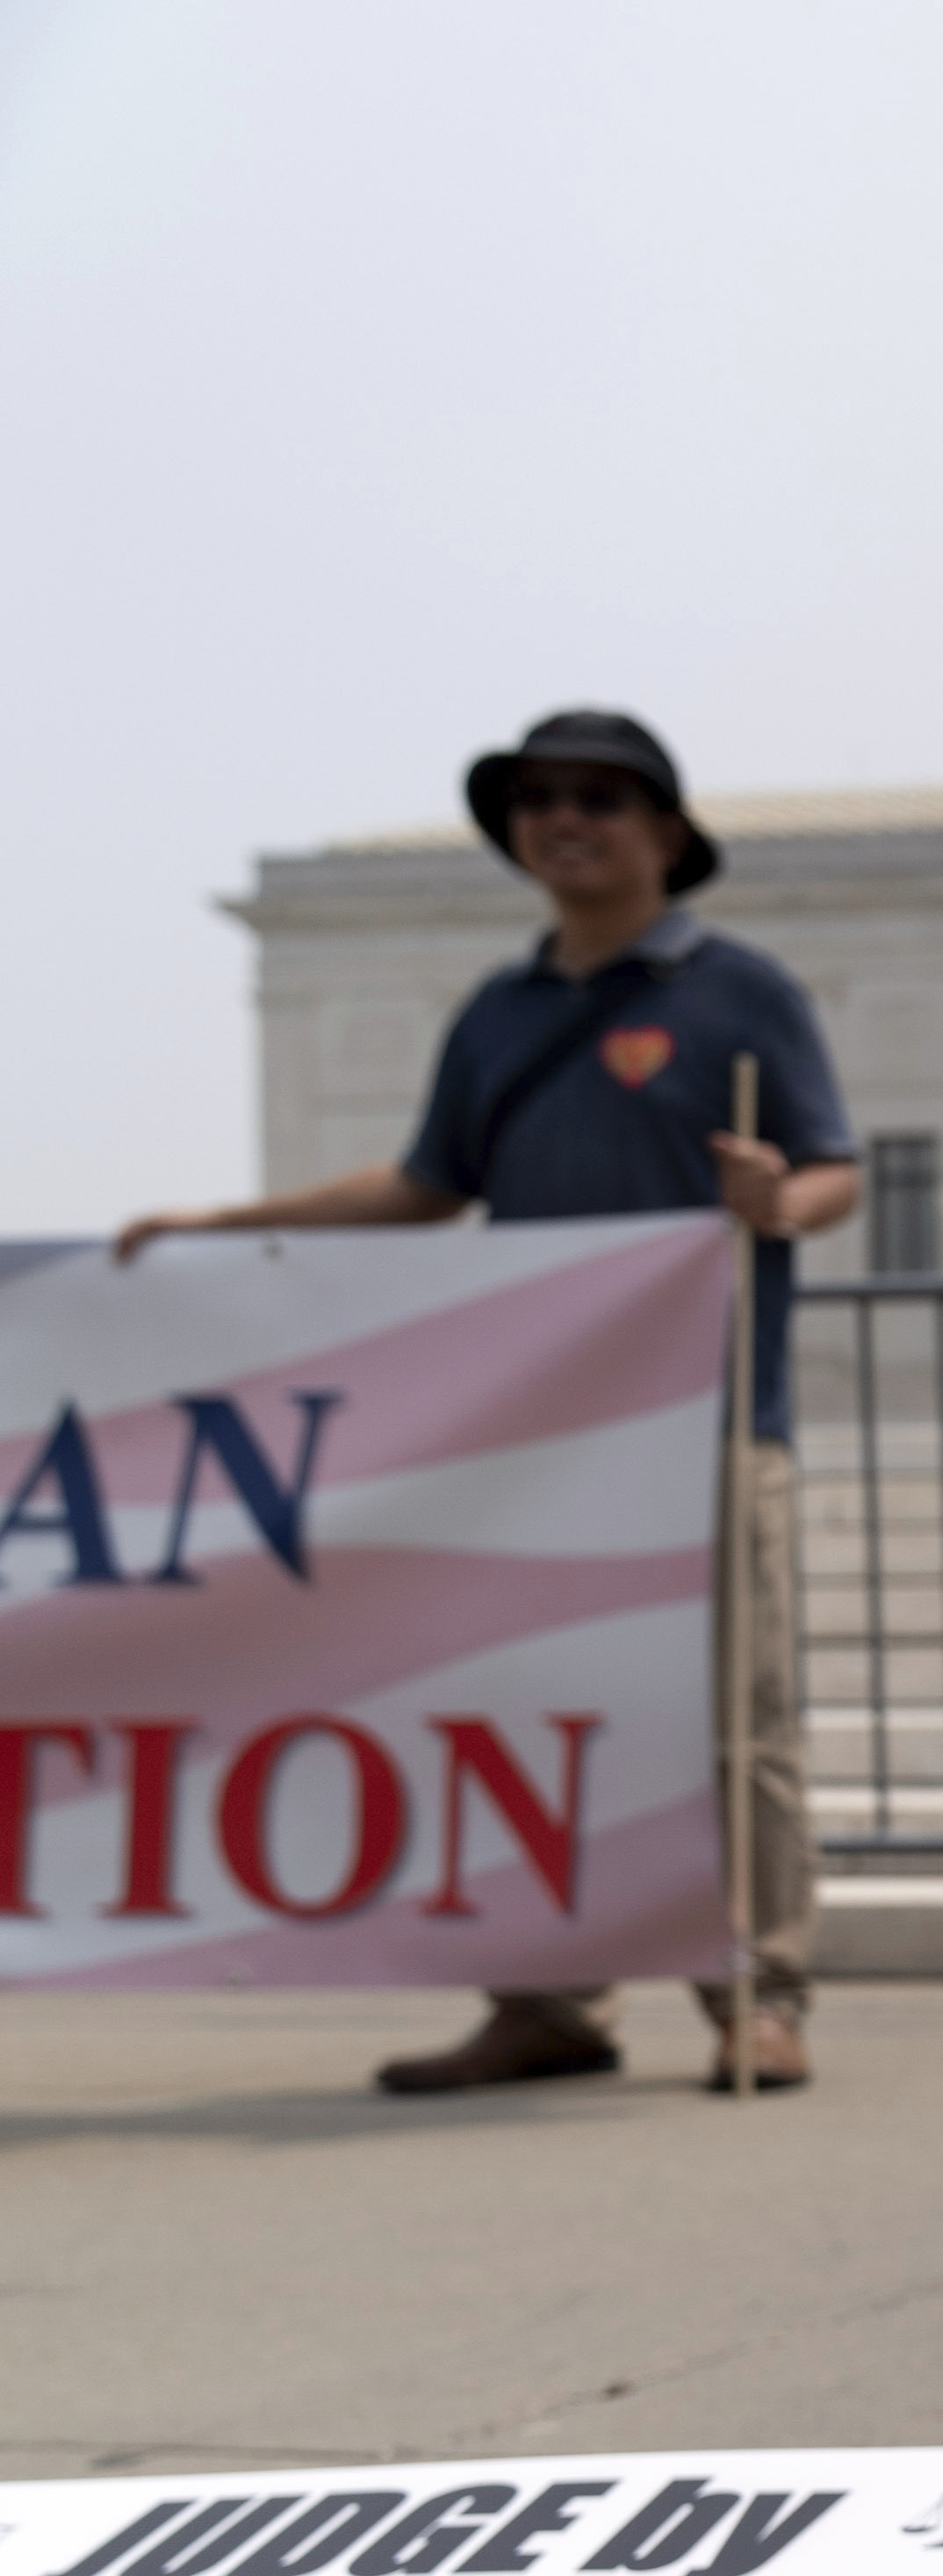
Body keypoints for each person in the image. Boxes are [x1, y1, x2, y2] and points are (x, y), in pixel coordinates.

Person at [121, 711, 860, 2096]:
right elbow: (425, 1187)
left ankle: (758, 1990)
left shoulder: (740, 993)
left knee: (731, 1718)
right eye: (534, 799)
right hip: (541, 1443)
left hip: (704, 1418)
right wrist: (229, 1222)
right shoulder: (498, 1014)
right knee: (531, 1705)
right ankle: (547, 1997)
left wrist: (780, 1198)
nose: (561, 819)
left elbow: (833, 1173)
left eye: (596, 796)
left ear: (663, 831)